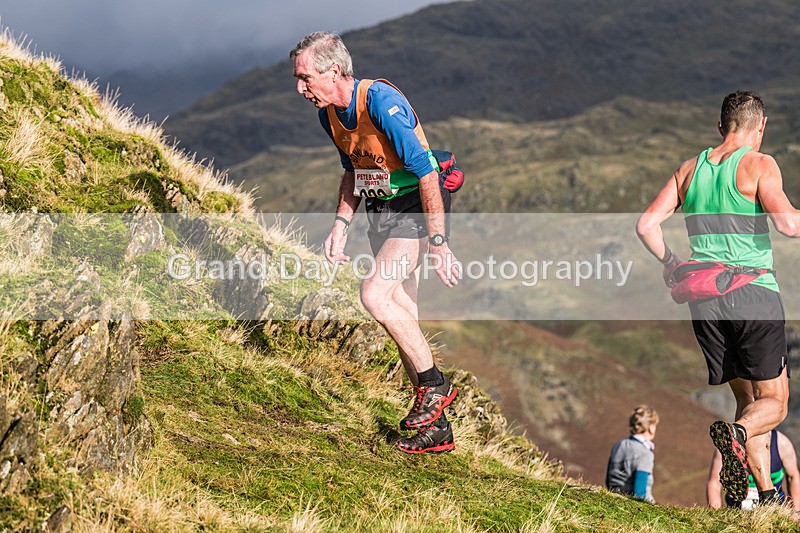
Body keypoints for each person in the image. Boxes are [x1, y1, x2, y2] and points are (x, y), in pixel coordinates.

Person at [290, 32, 462, 454]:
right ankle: (437, 430)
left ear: (333, 71)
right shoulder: (327, 113)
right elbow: (352, 170)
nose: (300, 88)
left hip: (415, 207)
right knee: (402, 313)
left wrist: (438, 242)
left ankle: (435, 386)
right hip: (379, 209)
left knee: (374, 293)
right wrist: (339, 225)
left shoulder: (380, 102)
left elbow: (425, 172)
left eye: (305, 77)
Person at [637, 90, 799, 503]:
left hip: (704, 301)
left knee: (747, 399)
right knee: (774, 404)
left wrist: (672, 262)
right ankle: (738, 436)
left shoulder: (689, 169)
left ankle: (765, 495)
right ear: (760, 126)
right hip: (752, 292)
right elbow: (787, 225)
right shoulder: (761, 164)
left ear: (720, 127)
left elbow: (646, 226)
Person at [707, 429, 800, 511]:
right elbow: (714, 483)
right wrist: (715, 513)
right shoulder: (728, 445)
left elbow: (793, 476)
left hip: (774, 510)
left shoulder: (782, 443)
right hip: (737, 512)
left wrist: (795, 510)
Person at [606, 405, 660, 502]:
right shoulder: (645, 453)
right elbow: (639, 493)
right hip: (637, 507)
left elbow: (608, 479)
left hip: (613, 499)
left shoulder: (619, 445)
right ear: (651, 427)